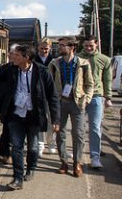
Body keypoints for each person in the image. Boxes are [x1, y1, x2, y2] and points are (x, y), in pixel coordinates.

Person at [0, 45, 59, 190]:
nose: (13, 57)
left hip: (34, 115)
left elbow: (53, 96)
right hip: (15, 114)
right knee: (17, 146)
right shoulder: (11, 70)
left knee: (33, 147)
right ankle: (17, 178)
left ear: (26, 57)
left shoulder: (42, 71)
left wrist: (56, 119)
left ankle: (31, 168)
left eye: (16, 55)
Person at [47, 36, 94, 177]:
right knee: (60, 133)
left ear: (72, 47)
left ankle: (77, 163)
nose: (59, 47)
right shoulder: (54, 63)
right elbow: (49, 84)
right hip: (60, 102)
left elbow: (89, 84)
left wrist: (87, 98)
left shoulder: (83, 63)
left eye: (63, 45)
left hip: (77, 102)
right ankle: (64, 162)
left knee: (78, 134)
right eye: (59, 45)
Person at [78, 35, 113, 169]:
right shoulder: (77, 58)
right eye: (86, 45)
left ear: (96, 44)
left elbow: (107, 79)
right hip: (80, 96)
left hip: (97, 96)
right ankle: (78, 156)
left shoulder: (104, 59)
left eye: (91, 45)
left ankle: (95, 157)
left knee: (95, 128)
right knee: (79, 128)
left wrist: (108, 97)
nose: (88, 48)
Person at [0, 44, 19, 165]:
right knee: (6, 131)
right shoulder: (6, 68)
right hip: (6, 105)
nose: (9, 54)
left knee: (14, 133)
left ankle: (12, 156)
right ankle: (5, 155)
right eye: (9, 52)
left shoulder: (24, 68)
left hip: (19, 106)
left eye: (12, 53)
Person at [32, 37, 56, 155]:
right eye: (41, 48)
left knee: (52, 119)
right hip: (38, 93)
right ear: (38, 48)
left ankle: (51, 142)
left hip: (50, 93)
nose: (44, 51)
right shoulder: (33, 60)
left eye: (46, 49)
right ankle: (40, 143)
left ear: (50, 48)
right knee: (40, 118)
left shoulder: (54, 61)